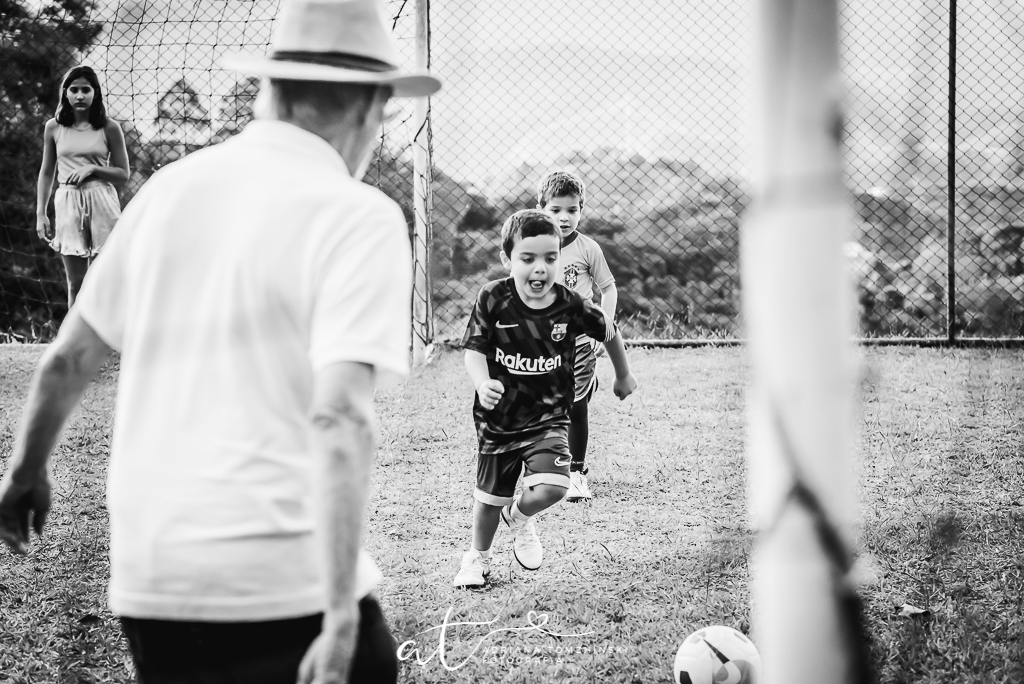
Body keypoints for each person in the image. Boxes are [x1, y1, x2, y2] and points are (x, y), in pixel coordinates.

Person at [0, 1, 441, 683]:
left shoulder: (170, 189)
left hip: (154, 583)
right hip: (279, 582)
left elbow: (70, 357)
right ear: (366, 109)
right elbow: (340, 414)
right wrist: (340, 615)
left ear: (273, 91)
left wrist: (24, 472)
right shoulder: (361, 216)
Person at [453, 209, 637, 588]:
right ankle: (477, 558)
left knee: (555, 486)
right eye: (528, 258)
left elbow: (608, 329)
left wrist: (623, 373)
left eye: (550, 258)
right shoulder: (492, 298)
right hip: (499, 420)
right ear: (507, 260)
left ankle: (519, 517)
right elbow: (473, 350)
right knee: (489, 499)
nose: (540, 268)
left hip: (549, 417)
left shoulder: (570, 305)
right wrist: (482, 381)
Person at [537, 169, 617, 501]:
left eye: (572, 209)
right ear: (541, 208)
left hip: (580, 343)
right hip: (541, 345)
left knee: (575, 404)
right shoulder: (532, 246)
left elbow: (608, 289)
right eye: (556, 210)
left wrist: (604, 327)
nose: (564, 217)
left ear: (581, 209)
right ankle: (541, 467)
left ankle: (577, 472)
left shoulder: (588, 249)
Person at [36, 65, 131, 308]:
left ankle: (108, 343)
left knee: (104, 279)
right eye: (74, 90)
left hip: (101, 200)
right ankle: (75, 345)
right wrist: (41, 213)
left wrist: (93, 169)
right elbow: (47, 171)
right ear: (65, 93)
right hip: (67, 202)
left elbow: (123, 174)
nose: (80, 96)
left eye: (86, 90)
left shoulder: (109, 127)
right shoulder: (53, 127)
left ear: (95, 93)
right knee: (75, 282)